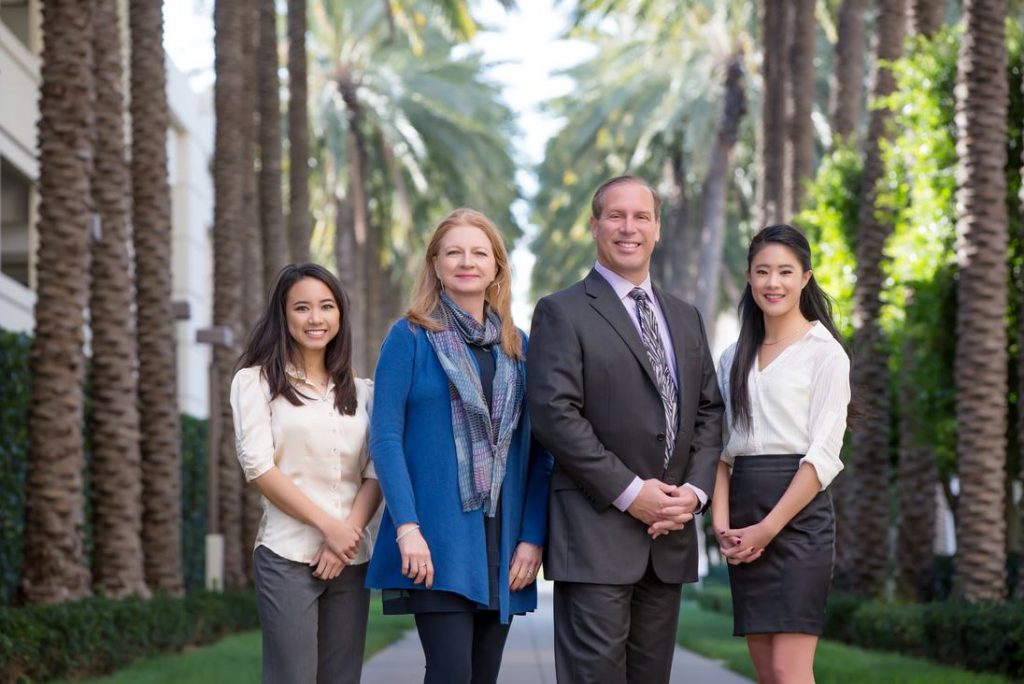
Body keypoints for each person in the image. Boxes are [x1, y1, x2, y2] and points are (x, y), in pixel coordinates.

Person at [527, 175, 725, 683]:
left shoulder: (685, 317)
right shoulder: (561, 311)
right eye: (616, 215)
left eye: (641, 217)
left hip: (669, 537)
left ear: (657, 228)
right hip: (595, 535)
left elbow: (708, 411)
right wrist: (631, 492)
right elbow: (555, 415)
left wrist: (695, 495)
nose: (628, 227)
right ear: (595, 226)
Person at [366, 208, 552, 684]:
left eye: (478, 252)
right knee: (450, 671)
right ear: (435, 263)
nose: (466, 262)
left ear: (496, 266)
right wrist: (407, 527)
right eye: (453, 252)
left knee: (483, 676)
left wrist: (532, 537)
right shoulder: (409, 337)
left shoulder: (519, 347)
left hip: (503, 538)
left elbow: (541, 452)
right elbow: (385, 438)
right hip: (436, 536)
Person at [711, 224, 851, 684]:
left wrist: (768, 529)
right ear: (749, 279)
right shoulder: (733, 357)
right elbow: (724, 451)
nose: (774, 283)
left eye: (786, 272)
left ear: (806, 279)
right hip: (744, 517)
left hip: (799, 521)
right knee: (767, 672)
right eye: (763, 272)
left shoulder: (825, 353)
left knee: (791, 672)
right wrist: (722, 526)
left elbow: (823, 456)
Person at [230, 263, 381, 684]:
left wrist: (345, 536)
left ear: (339, 315)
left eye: (326, 307)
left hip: (351, 560)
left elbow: (376, 472)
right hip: (286, 557)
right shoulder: (255, 383)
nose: (315, 318)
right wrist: (327, 527)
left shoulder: (363, 391)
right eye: (302, 308)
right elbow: (259, 466)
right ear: (283, 315)